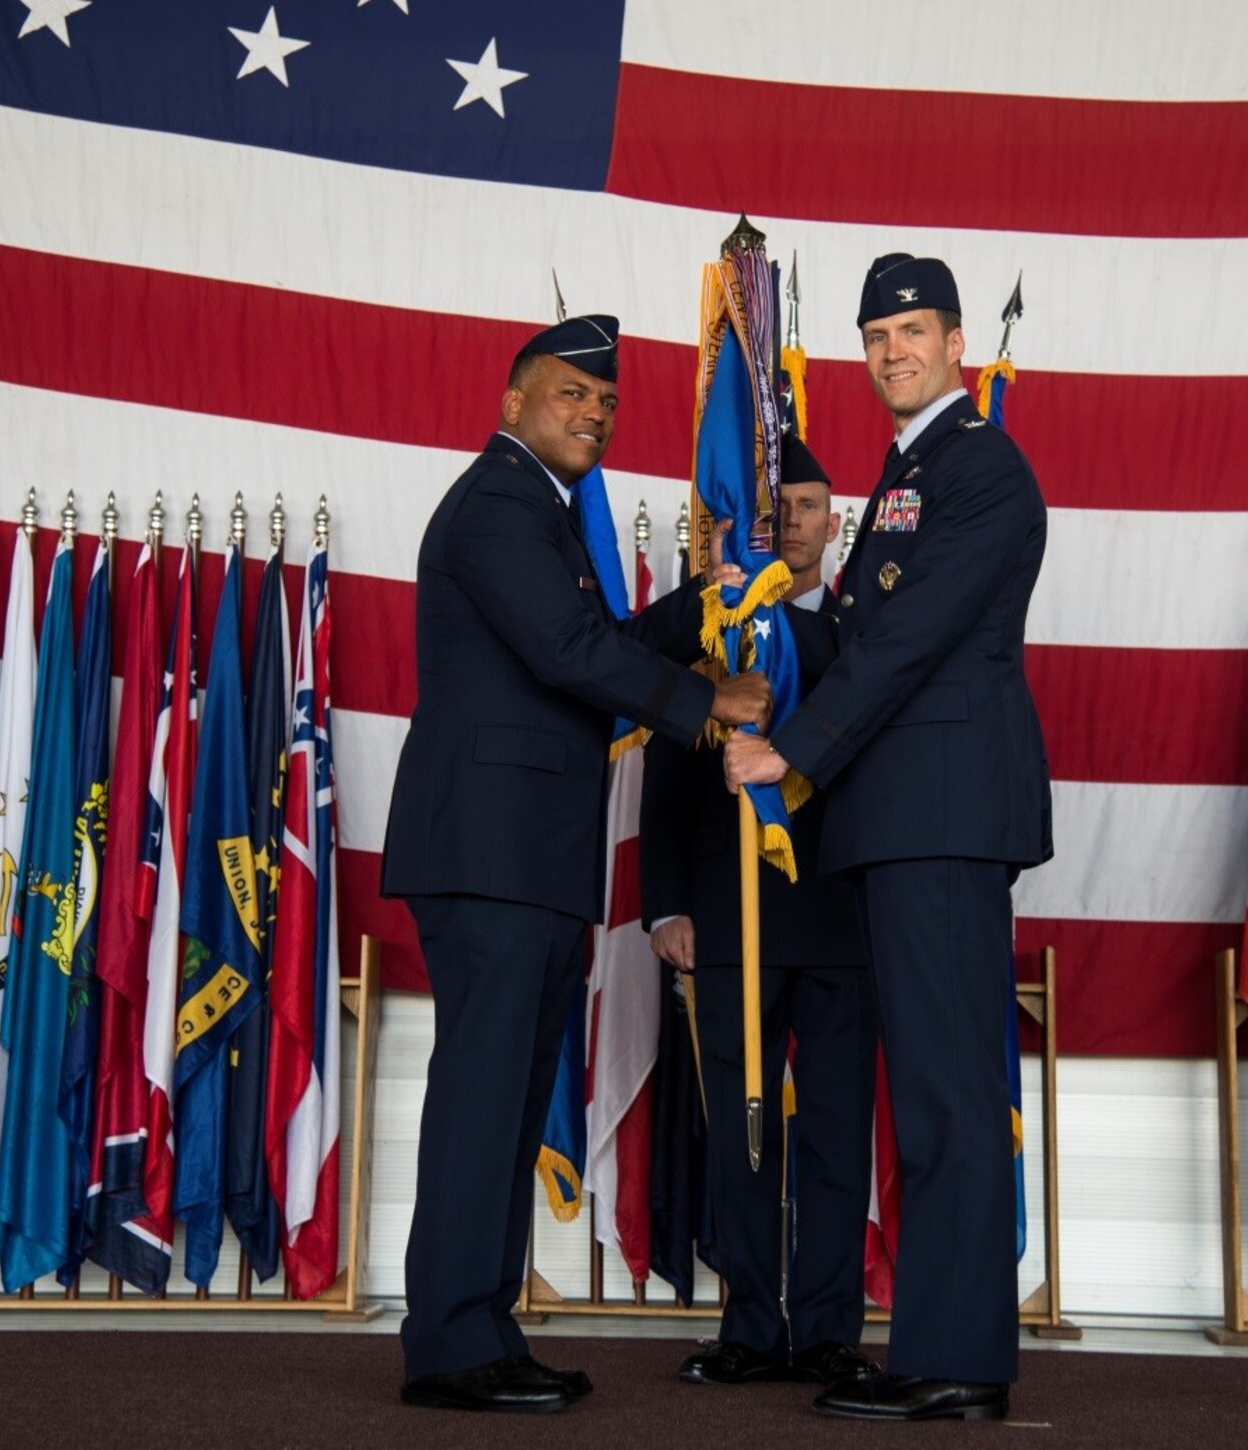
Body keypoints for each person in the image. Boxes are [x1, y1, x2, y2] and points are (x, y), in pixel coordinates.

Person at [381, 315, 771, 1416]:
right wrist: (709, 705)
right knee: (481, 1096)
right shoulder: (500, 503)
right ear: (512, 403)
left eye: (604, 403)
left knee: (504, 1098)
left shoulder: (535, 515)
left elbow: (587, 640)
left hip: (529, 855)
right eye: (569, 395)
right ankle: (452, 1341)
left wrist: (706, 601)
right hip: (491, 851)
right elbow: (568, 650)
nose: (593, 413)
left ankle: (477, 1328)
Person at [724, 254, 1052, 1423]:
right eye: (874, 335)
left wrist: (791, 751)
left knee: (950, 1093)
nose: (890, 351)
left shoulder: (981, 468)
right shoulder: (907, 471)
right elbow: (862, 634)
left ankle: (958, 1358)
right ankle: (935, 1344)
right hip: (901, 820)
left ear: (957, 341)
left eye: (912, 329)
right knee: (926, 1092)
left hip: (943, 817)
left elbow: (906, 639)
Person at [640, 434, 878, 1390]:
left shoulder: (865, 625)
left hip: (840, 909)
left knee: (831, 1131)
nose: (793, 523)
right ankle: (747, 1323)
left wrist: (765, 609)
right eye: (780, 508)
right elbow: (664, 762)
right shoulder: (708, 624)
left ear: (835, 521)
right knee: (739, 1129)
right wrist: (662, 905)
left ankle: (825, 1328)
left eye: (810, 507)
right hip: (727, 910)